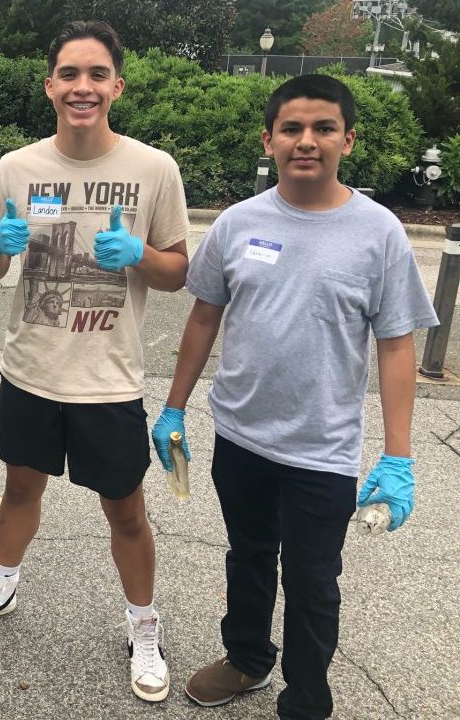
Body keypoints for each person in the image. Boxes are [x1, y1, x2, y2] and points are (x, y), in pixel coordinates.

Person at [152, 74, 437, 719]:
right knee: (248, 554)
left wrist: (399, 456)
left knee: (312, 582)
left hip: (322, 449)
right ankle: (247, 658)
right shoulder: (239, 222)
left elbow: (396, 345)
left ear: (348, 140)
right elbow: (203, 317)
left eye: (323, 128)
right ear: (270, 139)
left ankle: (307, 697)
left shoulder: (379, 233)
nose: (306, 141)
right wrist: (173, 408)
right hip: (241, 434)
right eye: (292, 129)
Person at [0, 20, 190, 704]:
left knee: (127, 512)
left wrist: (139, 256)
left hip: (109, 378)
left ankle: (143, 623)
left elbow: (175, 272)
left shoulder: (152, 169)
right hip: (31, 368)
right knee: (21, 490)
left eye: (97, 75)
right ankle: (0, 585)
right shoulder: (18, 168)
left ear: (117, 86)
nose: (83, 87)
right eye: (70, 75)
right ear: (50, 85)